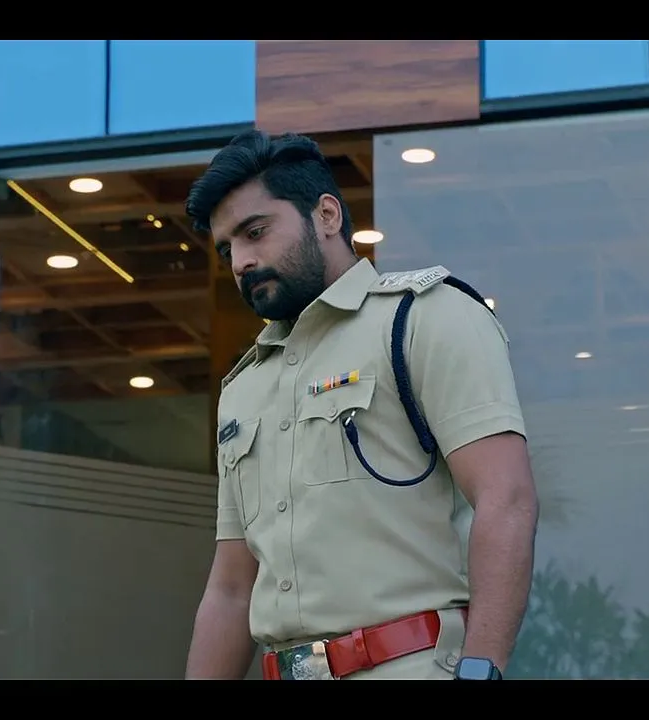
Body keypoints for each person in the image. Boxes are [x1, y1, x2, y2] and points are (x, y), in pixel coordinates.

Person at [183, 130, 540, 681]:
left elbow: (506, 498)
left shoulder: (423, 317)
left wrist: (481, 670)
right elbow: (231, 588)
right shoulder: (243, 387)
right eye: (227, 249)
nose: (241, 262)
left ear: (326, 215)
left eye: (256, 232)